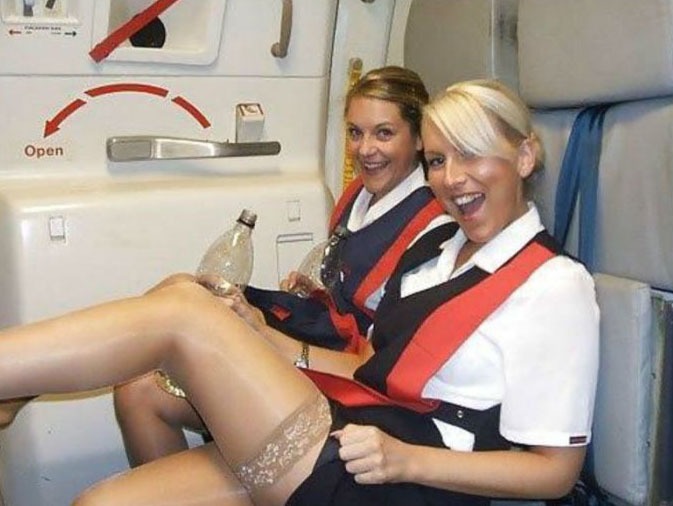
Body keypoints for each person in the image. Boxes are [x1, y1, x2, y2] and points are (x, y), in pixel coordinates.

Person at [0, 79, 599, 506]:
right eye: (439, 160)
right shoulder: (434, 254)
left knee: (186, 314)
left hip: (413, 475)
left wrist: (406, 460)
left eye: (472, 154)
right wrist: (267, 341)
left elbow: (554, 474)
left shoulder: (554, 284)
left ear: (525, 156)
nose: (452, 178)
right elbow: (368, 368)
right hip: (357, 423)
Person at [112, 65, 450, 467]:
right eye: (355, 133)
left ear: (419, 137)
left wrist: (268, 337)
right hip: (323, 331)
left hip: (348, 381)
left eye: (384, 133)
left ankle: (61, 363)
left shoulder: (430, 231)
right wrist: (320, 290)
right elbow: (354, 286)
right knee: (187, 287)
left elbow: (372, 366)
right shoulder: (360, 195)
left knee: (141, 390)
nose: (364, 149)